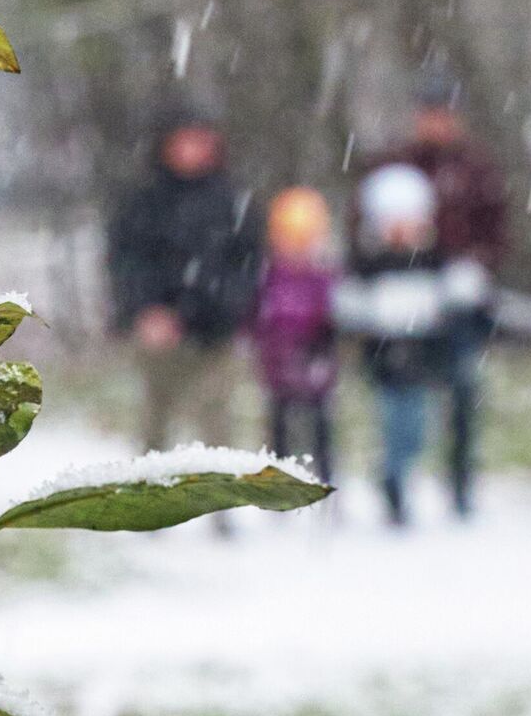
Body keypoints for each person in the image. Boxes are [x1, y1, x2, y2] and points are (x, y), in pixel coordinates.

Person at [350, 74, 510, 516]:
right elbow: (363, 234)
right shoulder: (395, 166)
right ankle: (396, 478)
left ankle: (460, 482)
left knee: (462, 393)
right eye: (429, 113)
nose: (436, 123)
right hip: (404, 307)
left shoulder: (477, 170)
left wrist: (472, 269)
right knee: (403, 402)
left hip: (458, 304)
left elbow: (497, 233)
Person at [336, 164, 490, 526]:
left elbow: (469, 301)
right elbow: (348, 309)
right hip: (391, 365)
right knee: (401, 427)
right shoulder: (366, 265)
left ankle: (459, 484)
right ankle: (394, 485)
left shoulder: (440, 259)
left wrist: (462, 302)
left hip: (434, 359)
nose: (402, 230)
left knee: (446, 421)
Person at [106, 109, 264, 464]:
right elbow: (125, 262)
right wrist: (144, 311)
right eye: (185, 140)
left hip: (213, 332)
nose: (193, 150)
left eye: (201, 140)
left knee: (218, 422)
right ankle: (150, 499)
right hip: (158, 332)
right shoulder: (144, 202)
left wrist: (221, 309)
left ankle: (220, 500)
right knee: (154, 423)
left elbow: (247, 266)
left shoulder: (232, 202)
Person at [251, 187, 340, 485]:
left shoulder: (325, 277)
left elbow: (334, 315)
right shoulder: (267, 276)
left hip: (317, 360)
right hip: (277, 363)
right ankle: (278, 483)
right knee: (279, 427)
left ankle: (325, 480)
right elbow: (256, 317)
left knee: (321, 427)